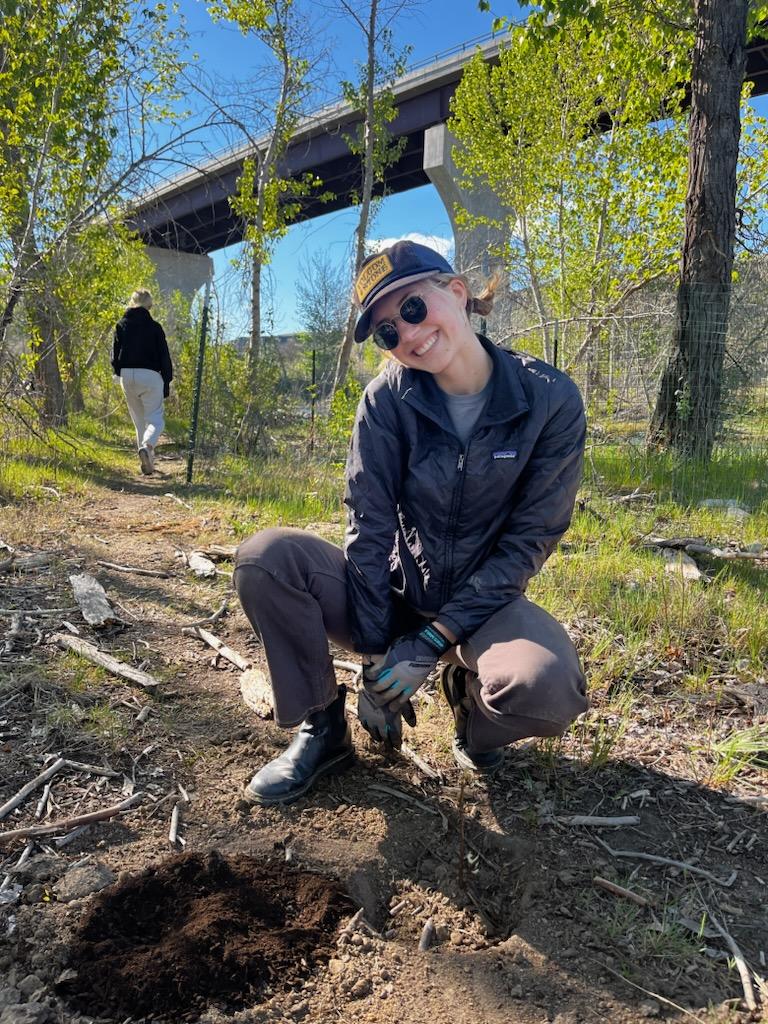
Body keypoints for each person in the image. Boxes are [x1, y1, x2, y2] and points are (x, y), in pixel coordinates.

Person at [234, 240, 588, 806]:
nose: (409, 333)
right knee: (266, 560)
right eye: (388, 331)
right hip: (395, 592)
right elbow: (368, 527)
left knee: (546, 687)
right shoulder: (386, 402)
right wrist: (378, 657)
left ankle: (471, 712)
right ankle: (322, 731)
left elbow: (529, 542)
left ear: (456, 291)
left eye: (414, 308)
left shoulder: (550, 399)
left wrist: (430, 642)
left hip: (486, 606)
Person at [112, 289, 173, 476]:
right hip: (150, 376)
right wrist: (166, 382)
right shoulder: (155, 327)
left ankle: (148, 463)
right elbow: (164, 357)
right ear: (149, 306)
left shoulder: (121, 325)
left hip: (127, 375)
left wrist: (118, 373)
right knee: (155, 420)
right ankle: (147, 447)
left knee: (139, 421)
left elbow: (114, 356)